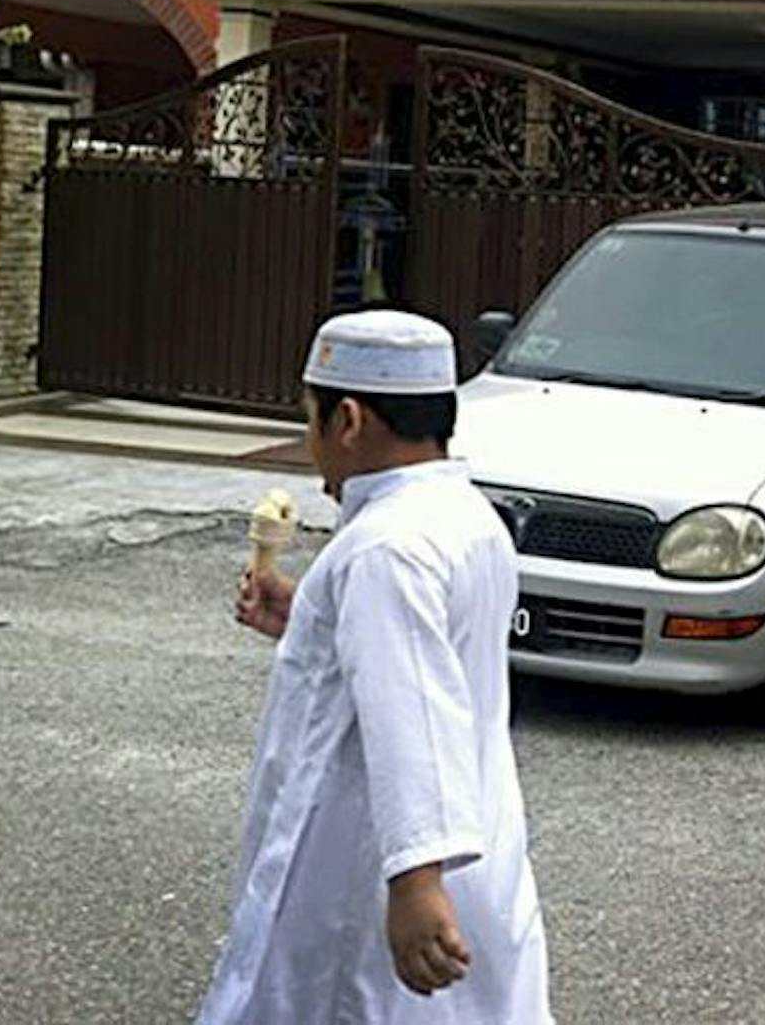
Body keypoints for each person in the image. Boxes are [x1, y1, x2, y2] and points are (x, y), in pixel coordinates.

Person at [199, 309, 550, 1024]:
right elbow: (416, 654)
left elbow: (410, 711)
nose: (311, 445)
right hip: (477, 842)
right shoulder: (464, 515)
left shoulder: (386, 548)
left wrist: (415, 881)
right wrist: (309, 620)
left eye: (311, 421)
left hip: (367, 866)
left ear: (349, 420)